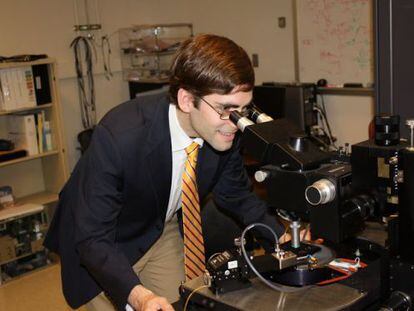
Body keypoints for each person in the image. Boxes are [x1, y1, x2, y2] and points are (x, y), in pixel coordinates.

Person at [44, 34, 285, 311]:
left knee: (187, 302)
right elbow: (92, 237)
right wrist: (139, 297)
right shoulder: (120, 135)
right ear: (186, 100)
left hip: (157, 225)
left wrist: (280, 236)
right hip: (101, 238)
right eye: (225, 109)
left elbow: (235, 194)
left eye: (243, 109)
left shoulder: (223, 129)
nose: (235, 122)